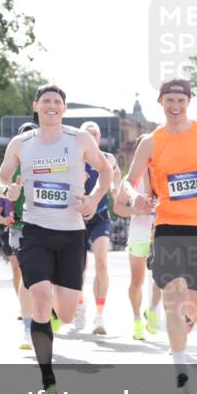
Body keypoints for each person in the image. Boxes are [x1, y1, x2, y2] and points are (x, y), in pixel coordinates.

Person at [121, 79, 197, 394]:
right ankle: (180, 372)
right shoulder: (150, 141)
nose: (175, 105)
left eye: (181, 100)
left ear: (189, 101)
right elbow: (128, 181)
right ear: (160, 102)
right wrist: (135, 196)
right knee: (173, 299)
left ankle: (186, 328)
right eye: (169, 100)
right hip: (167, 228)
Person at [0, 84, 112, 394]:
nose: (51, 106)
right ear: (36, 106)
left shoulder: (79, 139)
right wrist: (7, 190)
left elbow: (105, 170)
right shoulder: (21, 143)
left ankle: (66, 310)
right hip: (36, 230)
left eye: (57, 102)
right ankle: (48, 378)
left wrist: (95, 198)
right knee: (41, 296)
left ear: (64, 109)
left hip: (72, 233)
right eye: (45, 101)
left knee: (68, 313)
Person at [0, 120, 39, 349]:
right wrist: (7, 194)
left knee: (42, 276)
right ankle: (28, 324)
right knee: (24, 272)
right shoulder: (11, 171)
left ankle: (40, 311)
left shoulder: (47, 161)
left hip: (46, 225)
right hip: (18, 226)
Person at [76, 121, 122, 335]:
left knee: (102, 263)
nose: (91, 136)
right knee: (79, 268)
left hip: (100, 216)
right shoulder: (74, 157)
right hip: (76, 217)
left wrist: (115, 188)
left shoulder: (108, 158)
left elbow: (117, 173)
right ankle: (80, 303)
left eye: (95, 133)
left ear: (100, 136)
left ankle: (100, 316)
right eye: (87, 133)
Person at [113, 139, 162, 340]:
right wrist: (135, 209)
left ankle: (151, 310)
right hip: (139, 234)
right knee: (137, 280)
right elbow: (117, 207)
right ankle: (136, 320)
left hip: (161, 231)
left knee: (162, 276)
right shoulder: (131, 180)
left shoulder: (163, 173)